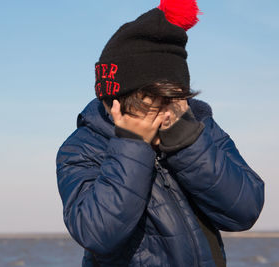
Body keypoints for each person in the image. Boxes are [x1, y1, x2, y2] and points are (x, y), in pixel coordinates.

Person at [55, 0, 265, 266]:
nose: (166, 115)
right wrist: (132, 144)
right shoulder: (82, 148)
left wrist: (185, 140)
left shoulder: (199, 126)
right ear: (116, 104)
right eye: (153, 103)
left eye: (174, 101)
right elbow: (97, 234)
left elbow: (244, 211)